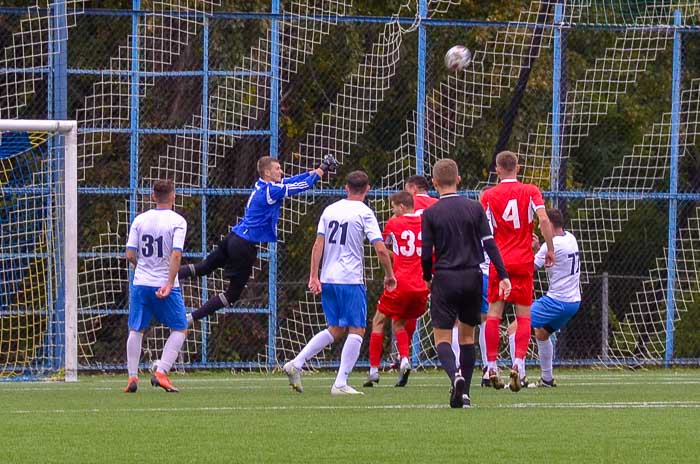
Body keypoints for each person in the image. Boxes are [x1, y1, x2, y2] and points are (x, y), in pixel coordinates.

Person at [178, 154, 338, 323]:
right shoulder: (271, 191)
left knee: (204, 267)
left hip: (234, 237)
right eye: (277, 169)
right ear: (267, 172)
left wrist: (317, 170)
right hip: (244, 245)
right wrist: (322, 169)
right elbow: (302, 185)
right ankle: (189, 318)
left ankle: (166, 277)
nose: (281, 171)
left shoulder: (264, 185)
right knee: (232, 294)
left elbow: (292, 180)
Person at [283, 171, 397, 395]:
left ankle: (296, 363)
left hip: (328, 277)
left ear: (346, 187)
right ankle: (340, 383)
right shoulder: (364, 213)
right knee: (357, 329)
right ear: (367, 189)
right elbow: (381, 249)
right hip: (350, 279)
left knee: (335, 329)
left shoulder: (330, 209)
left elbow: (318, 245)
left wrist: (314, 276)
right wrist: (389, 274)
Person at [421, 159, 511, 408]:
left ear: (435, 182)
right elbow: (489, 243)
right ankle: (466, 393)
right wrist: (503, 274)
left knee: (442, 338)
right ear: (458, 179)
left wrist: (428, 277)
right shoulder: (475, 208)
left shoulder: (431, 213)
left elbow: (426, 253)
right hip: (473, 277)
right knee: (468, 337)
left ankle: (455, 376)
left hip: (445, 277)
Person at [480, 150, 554, 392]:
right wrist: (548, 248)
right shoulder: (530, 191)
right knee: (524, 316)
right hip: (523, 261)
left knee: (493, 313)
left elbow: (484, 229)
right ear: (518, 168)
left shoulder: (489, 195)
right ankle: (519, 364)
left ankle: (491, 365)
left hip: (499, 262)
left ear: (498, 169)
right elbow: (543, 219)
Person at [124, 180, 188, 393]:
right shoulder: (178, 221)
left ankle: (132, 377)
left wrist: (140, 267)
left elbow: (130, 254)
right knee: (179, 327)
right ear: (173, 196)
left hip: (141, 282)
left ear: (153, 196)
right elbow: (176, 254)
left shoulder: (140, 220)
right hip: (164, 284)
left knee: (136, 329)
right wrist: (169, 282)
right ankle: (161, 372)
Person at [506, 208, 581, 387]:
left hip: (557, 301)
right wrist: (539, 248)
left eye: (541, 223)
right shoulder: (570, 238)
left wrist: (529, 249)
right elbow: (553, 259)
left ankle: (520, 377)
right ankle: (547, 379)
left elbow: (528, 268)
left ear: (549, 224)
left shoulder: (551, 245)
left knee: (514, 329)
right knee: (541, 333)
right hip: (574, 301)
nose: (539, 226)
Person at [364, 191, 429, 388]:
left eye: (394, 207)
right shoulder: (426, 222)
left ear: (401, 207)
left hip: (400, 282)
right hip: (421, 284)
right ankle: (405, 359)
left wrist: (396, 259)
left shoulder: (394, 223)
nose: (393, 211)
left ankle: (374, 371)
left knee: (378, 321)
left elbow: (383, 248)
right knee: (400, 323)